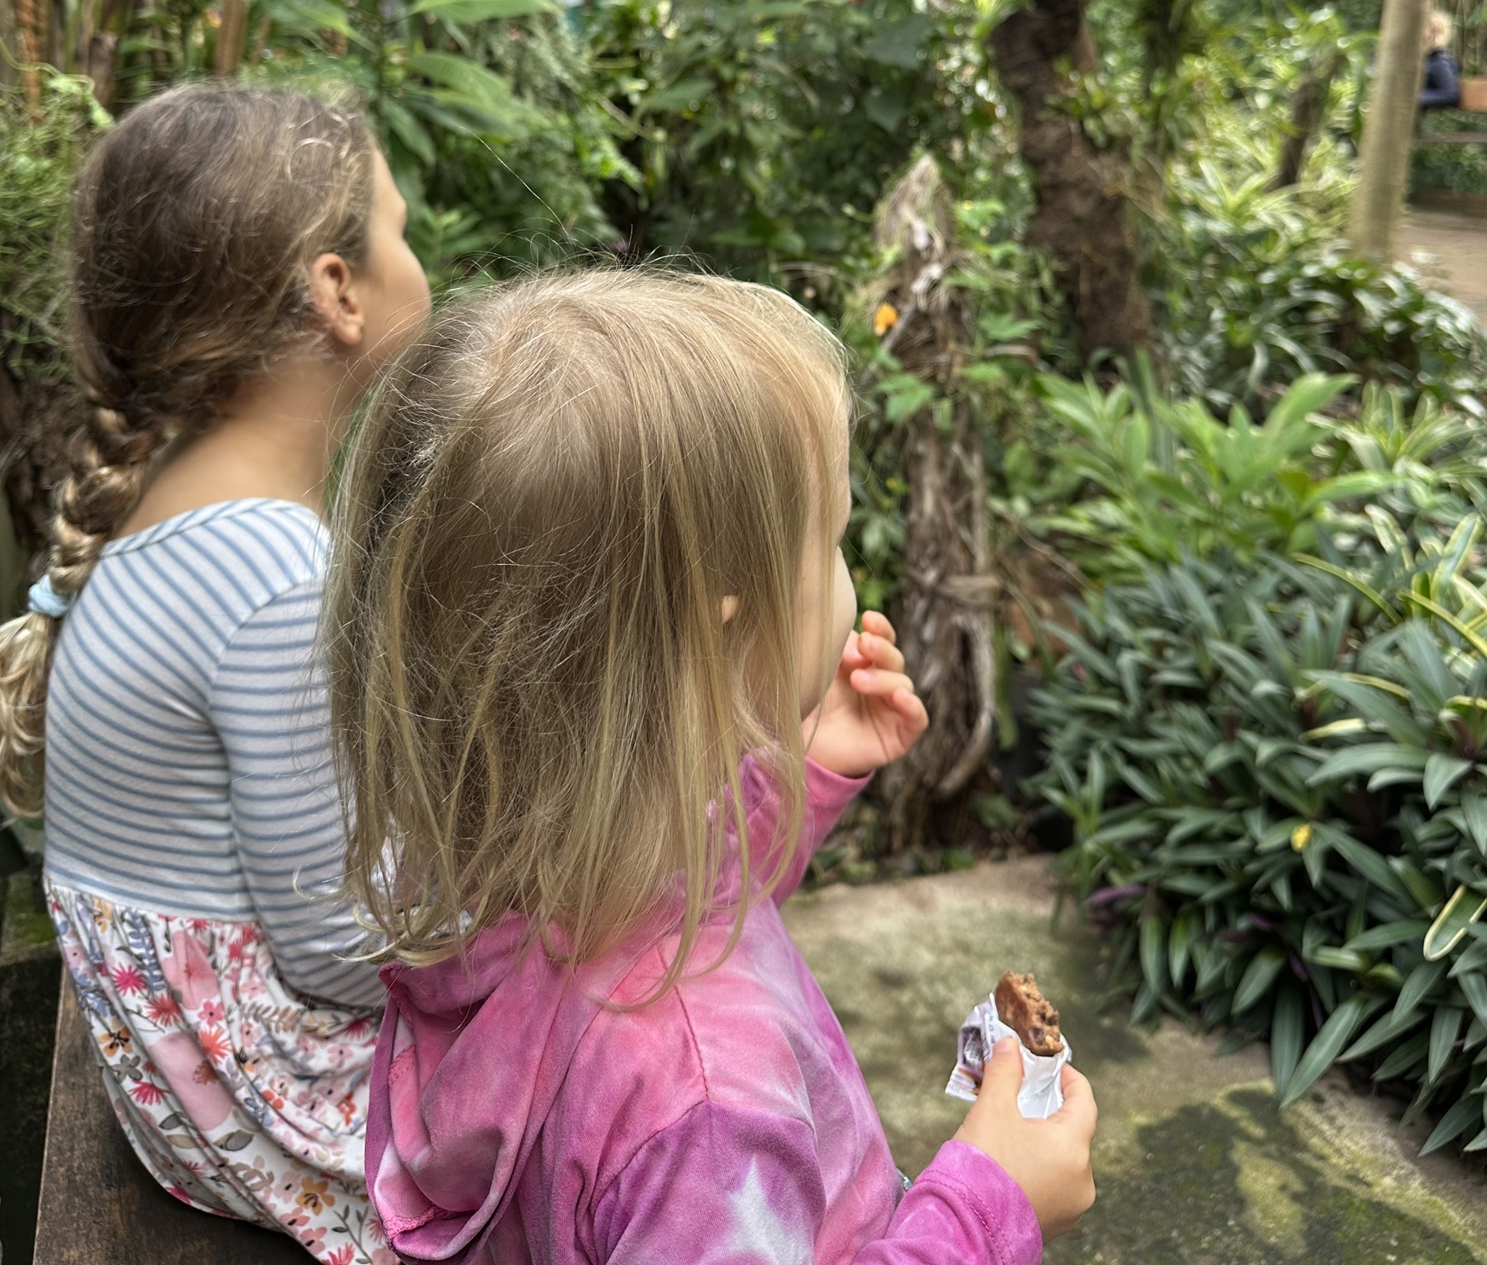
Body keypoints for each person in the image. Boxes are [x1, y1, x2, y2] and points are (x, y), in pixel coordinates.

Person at [326, 271, 1098, 1264]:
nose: (844, 561)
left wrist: (801, 771)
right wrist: (990, 1204)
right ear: (720, 635)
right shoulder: (706, 1102)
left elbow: (658, 885)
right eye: (828, 538)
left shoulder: (473, 863)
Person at [0, 83, 431, 1263]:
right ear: (337, 289)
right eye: (398, 227)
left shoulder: (172, 500)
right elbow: (341, 947)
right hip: (275, 1111)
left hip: (181, 1088)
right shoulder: (276, 568)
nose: (413, 251)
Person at [1421, 11, 1461, 110]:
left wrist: (1414, 97)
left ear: (1434, 33)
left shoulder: (1439, 62)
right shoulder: (1424, 59)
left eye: (1424, 27)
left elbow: (1450, 95)